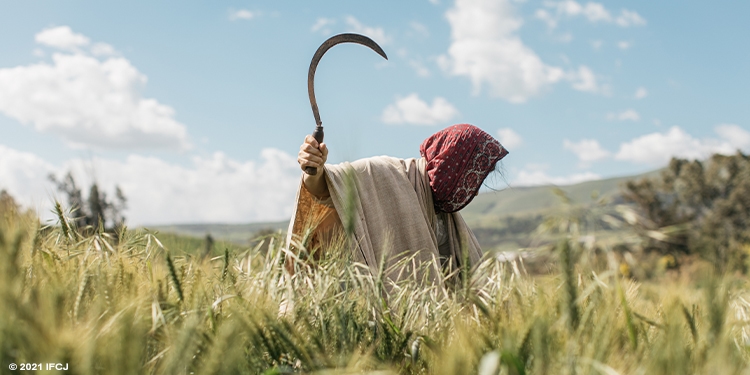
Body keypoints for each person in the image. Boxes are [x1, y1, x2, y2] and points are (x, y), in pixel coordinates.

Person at [286, 124, 509, 284]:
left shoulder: (445, 214)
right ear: (454, 169)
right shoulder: (383, 173)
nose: (476, 192)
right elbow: (328, 187)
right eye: (470, 179)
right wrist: (313, 169)